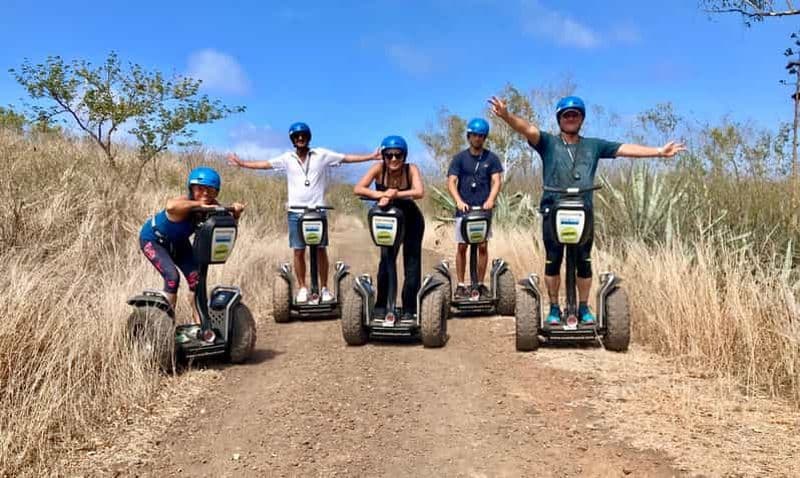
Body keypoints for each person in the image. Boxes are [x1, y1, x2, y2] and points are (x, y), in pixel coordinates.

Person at [489, 95, 686, 326]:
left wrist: (659, 151)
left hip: (584, 211)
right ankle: (554, 309)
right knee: (553, 260)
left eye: (575, 115)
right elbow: (528, 129)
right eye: (566, 115)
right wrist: (506, 116)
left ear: (581, 118)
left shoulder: (593, 145)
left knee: (584, 261)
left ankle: (583, 308)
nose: (571, 118)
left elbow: (623, 149)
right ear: (560, 119)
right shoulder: (548, 143)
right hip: (553, 210)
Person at [227, 122, 380, 303]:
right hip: (295, 212)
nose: (300, 139)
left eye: (303, 136)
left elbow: (346, 158)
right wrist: (242, 163)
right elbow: (265, 165)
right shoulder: (287, 158)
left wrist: (371, 156)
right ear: (293, 139)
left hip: (318, 211)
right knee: (298, 251)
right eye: (297, 136)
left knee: (320, 250)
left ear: (308, 138)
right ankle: (302, 288)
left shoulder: (321, 155)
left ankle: (324, 288)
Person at [139, 167, 245, 324]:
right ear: (191, 188)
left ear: (216, 192)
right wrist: (200, 206)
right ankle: (166, 326)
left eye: (211, 190)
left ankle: (199, 323)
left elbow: (227, 227)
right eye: (200, 188)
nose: (205, 194)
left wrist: (235, 214)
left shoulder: (212, 205)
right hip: (153, 240)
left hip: (179, 243)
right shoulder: (184, 203)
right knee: (172, 278)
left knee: (196, 280)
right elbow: (170, 206)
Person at [353, 135, 425, 319]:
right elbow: (358, 188)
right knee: (386, 259)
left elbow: (419, 192)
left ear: (404, 156)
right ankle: (382, 305)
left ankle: (409, 308)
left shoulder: (411, 169)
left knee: (412, 262)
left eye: (398, 155)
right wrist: (381, 194)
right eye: (389, 155)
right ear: (384, 156)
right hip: (387, 216)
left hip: (411, 218)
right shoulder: (378, 168)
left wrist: (395, 194)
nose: (393, 159)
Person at [446, 117, 503, 299]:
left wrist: (491, 199)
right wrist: (458, 201)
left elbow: (496, 180)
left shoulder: (491, 158)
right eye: (474, 135)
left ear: (485, 137)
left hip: (483, 209)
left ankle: (478, 283)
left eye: (481, 136)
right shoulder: (459, 159)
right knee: (462, 246)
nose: (478, 138)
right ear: (469, 136)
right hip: (464, 210)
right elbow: (451, 182)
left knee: (482, 246)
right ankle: (461, 284)